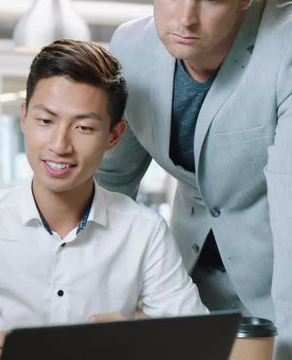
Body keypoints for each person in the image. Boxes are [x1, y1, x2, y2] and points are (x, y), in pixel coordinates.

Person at [0, 39, 207, 360]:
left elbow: (200, 343)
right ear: (24, 118)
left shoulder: (144, 232)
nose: (60, 145)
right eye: (46, 121)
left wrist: (135, 341)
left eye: (83, 128)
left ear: (114, 136)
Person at [95, 0, 292, 358]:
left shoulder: (285, 45)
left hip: (279, 285)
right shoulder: (130, 48)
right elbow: (111, 183)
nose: (186, 18)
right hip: (191, 282)